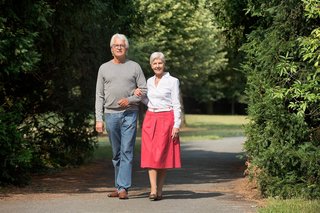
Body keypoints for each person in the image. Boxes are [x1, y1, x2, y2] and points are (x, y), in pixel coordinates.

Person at [95, 33, 147, 200]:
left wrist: (130, 99)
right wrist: (98, 119)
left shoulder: (135, 67)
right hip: (110, 114)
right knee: (116, 152)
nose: (119, 47)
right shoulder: (103, 68)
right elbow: (99, 95)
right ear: (111, 49)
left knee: (126, 150)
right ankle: (119, 186)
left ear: (126, 48)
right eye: (116, 45)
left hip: (130, 114)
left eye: (122, 45)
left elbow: (144, 91)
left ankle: (123, 187)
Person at [135, 52, 182, 201]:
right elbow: (149, 102)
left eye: (159, 63)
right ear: (151, 65)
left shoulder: (173, 81)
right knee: (150, 155)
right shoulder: (148, 81)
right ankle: (153, 190)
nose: (157, 66)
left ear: (164, 64)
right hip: (150, 118)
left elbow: (176, 103)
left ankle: (159, 190)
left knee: (162, 155)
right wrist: (140, 95)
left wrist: (176, 125)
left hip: (166, 119)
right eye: (154, 63)